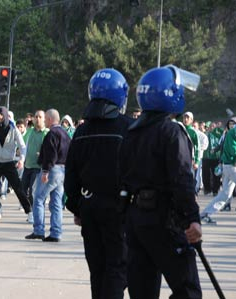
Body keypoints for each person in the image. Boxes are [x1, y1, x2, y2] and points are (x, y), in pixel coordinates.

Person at [120, 66, 202, 298]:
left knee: (142, 290)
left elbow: (122, 177)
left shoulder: (132, 131)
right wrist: (192, 219)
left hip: (136, 221)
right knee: (188, 290)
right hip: (165, 220)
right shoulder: (172, 132)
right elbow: (182, 180)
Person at [65, 68, 133, 298]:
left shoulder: (81, 130)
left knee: (97, 268)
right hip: (118, 210)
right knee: (116, 268)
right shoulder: (127, 127)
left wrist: (77, 207)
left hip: (89, 208)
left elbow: (70, 175)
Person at [25, 108, 70, 242]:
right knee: (56, 202)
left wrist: (45, 171)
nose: (44, 120)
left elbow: (51, 155)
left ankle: (38, 230)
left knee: (38, 198)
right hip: (63, 170)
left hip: (52, 170)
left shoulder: (51, 134)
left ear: (50, 119)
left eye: (45, 118)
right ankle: (56, 232)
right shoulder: (65, 134)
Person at [0, 106, 32, 224]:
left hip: (9, 162)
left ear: (5, 115)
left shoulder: (13, 129)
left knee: (18, 188)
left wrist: (21, 159)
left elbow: (22, 147)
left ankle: (30, 212)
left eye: (1, 114)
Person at [200, 116, 236, 223]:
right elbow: (232, 149)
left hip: (228, 166)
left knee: (225, 194)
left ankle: (205, 214)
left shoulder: (231, 132)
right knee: (225, 194)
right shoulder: (233, 132)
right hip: (232, 166)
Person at [21, 110, 49, 224]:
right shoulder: (30, 131)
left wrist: (43, 154)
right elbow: (23, 145)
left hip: (39, 167)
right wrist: (21, 159)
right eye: (36, 116)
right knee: (22, 190)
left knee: (33, 191)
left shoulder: (46, 132)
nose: (37, 119)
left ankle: (34, 213)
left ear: (44, 119)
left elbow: (50, 149)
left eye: (40, 117)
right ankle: (30, 211)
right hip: (28, 165)